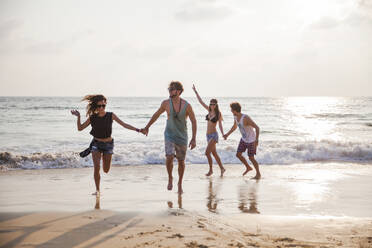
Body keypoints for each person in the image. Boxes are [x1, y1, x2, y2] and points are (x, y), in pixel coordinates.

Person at [71, 94, 143, 195]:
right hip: (96, 144)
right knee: (96, 167)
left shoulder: (111, 115)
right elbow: (80, 128)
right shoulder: (92, 117)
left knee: (106, 170)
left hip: (108, 145)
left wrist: (138, 130)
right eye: (99, 106)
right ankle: (97, 190)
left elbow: (124, 124)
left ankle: (99, 184)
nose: (101, 108)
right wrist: (78, 117)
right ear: (96, 106)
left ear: (105, 105)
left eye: (103, 106)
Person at [142, 81, 197, 193]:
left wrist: (194, 138)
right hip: (169, 135)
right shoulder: (166, 103)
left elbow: (194, 121)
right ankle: (170, 177)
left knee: (181, 161)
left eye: (172, 89)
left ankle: (180, 183)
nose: (170, 91)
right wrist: (147, 126)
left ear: (179, 91)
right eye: (169, 89)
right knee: (169, 157)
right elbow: (156, 114)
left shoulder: (187, 105)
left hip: (182, 137)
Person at [192, 84, 225, 177]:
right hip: (208, 136)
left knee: (207, 153)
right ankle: (222, 168)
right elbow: (200, 101)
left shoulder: (218, 114)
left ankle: (211, 170)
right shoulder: (209, 111)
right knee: (214, 153)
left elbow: (220, 125)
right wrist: (196, 91)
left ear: (216, 105)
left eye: (213, 104)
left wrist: (223, 134)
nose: (212, 105)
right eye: (211, 103)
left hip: (214, 135)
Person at [223, 102, 261, 179]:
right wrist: (227, 134)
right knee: (238, 154)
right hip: (244, 139)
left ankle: (258, 174)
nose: (231, 111)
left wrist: (256, 140)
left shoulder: (245, 118)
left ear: (235, 110)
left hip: (251, 140)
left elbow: (257, 128)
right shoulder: (235, 117)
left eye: (231, 110)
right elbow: (234, 127)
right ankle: (248, 167)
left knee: (251, 158)